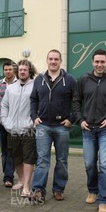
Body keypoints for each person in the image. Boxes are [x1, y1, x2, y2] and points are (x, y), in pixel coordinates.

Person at [73, 49, 106, 212]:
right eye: (96, 62)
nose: (99, 65)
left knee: (105, 165)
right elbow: (76, 101)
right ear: (92, 63)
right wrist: (80, 120)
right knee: (90, 164)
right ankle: (93, 190)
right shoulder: (84, 79)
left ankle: (104, 201)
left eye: (102, 62)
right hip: (88, 129)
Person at [30, 49, 77, 203]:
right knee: (42, 159)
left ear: (60, 61)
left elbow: (77, 102)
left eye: (56, 59)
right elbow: (33, 100)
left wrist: (71, 119)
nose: (53, 61)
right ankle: (38, 190)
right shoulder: (39, 79)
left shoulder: (69, 80)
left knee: (62, 160)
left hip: (62, 126)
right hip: (43, 125)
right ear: (47, 60)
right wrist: (34, 117)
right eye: (51, 59)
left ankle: (58, 189)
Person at [0, 59, 37, 197]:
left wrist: (33, 123)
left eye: (25, 70)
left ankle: (27, 186)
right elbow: (4, 105)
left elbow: (38, 106)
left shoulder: (35, 86)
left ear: (29, 71)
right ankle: (21, 180)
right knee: (16, 158)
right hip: (12, 130)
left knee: (28, 158)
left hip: (28, 129)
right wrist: (5, 122)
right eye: (20, 70)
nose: (22, 72)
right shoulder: (11, 88)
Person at [0, 61, 18, 187]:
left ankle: (8, 177)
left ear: (14, 70)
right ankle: (7, 173)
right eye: (6, 69)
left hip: (14, 122)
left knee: (11, 150)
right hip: (0, 121)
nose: (8, 71)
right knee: (4, 151)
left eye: (10, 69)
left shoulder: (19, 83)